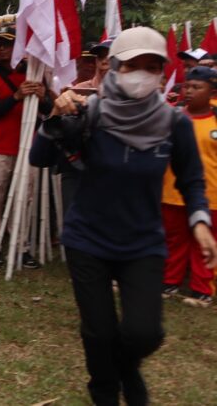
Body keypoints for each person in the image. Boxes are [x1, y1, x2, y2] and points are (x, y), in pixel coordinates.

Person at [31, 27, 217, 406]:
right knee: (98, 332)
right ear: (114, 67)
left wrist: (199, 221)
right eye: (133, 65)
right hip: (89, 239)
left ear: (163, 73)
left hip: (143, 242)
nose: (142, 73)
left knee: (145, 333)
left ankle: (127, 369)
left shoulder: (173, 123)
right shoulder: (91, 112)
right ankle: (104, 392)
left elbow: (193, 179)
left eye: (152, 66)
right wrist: (55, 112)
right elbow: (39, 158)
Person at [0, 31, 51, 267]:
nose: (1, 50)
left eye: (7, 45)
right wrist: (16, 96)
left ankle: (21, 247)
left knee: (23, 198)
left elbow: (49, 109)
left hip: (27, 145)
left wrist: (42, 96)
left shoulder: (34, 74)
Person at [161, 66, 217, 306]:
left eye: (197, 87)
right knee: (174, 240)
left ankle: (202, 290)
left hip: (210, 196)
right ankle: (169, 282)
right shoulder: (173, 118)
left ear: (211, 91)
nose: (190, 91)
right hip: (171, 193)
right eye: (187, 86)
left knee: (203, 243)